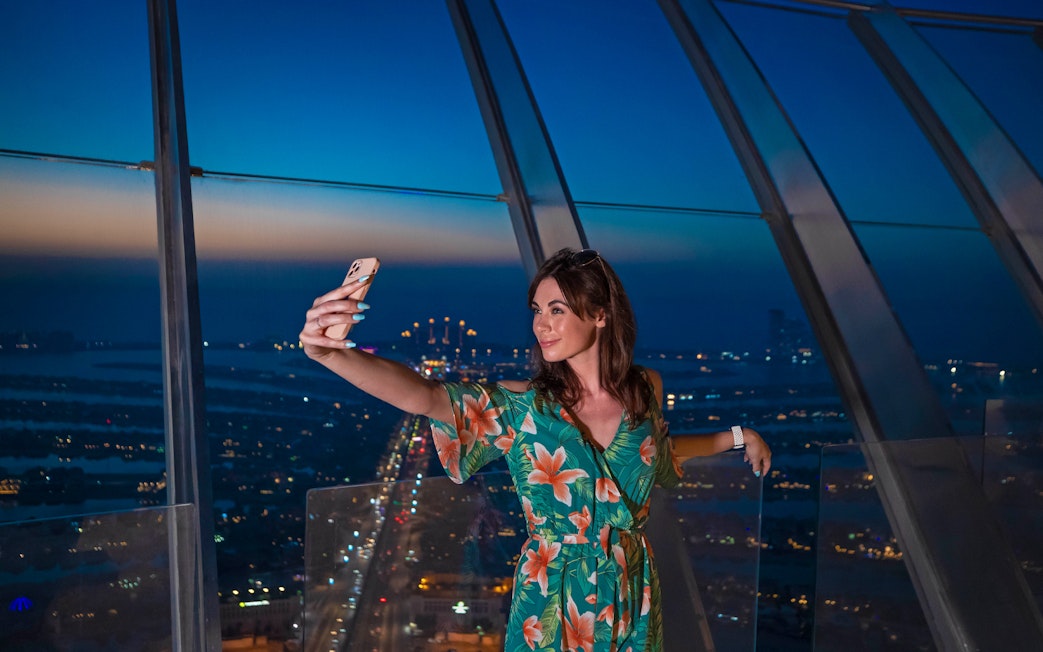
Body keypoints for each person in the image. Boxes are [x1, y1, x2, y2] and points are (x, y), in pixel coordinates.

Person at [299, 247, 772, 652]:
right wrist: (332, 354)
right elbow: (425, 396)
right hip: (552, 599)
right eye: (536, 310)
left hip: (634, 589)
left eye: (556, 309)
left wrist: (737, 437)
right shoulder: (524, 408)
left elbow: (658, 455)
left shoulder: (646, 387)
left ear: (601, 314)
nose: (540, 324)